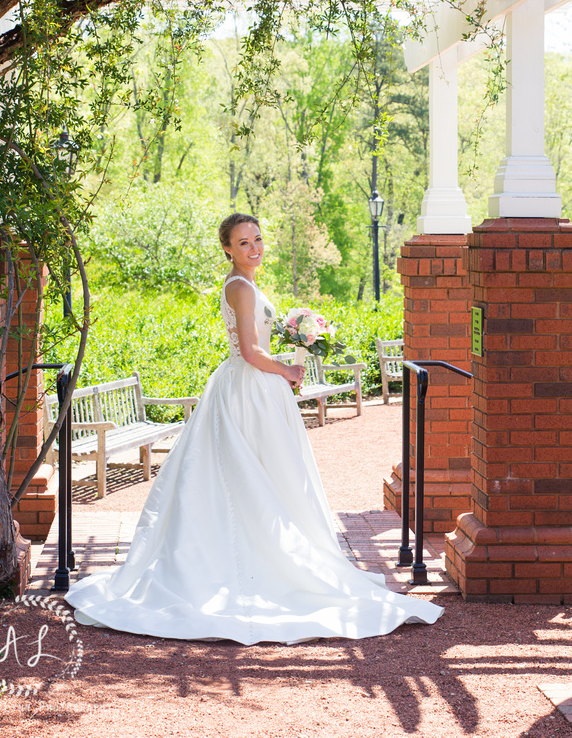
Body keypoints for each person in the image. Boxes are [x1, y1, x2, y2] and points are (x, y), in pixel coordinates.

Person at [64, 212, 443, 643]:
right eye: (243, 243)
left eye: (258, 239)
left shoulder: (245, 284)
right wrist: (287, 369)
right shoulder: (240, 287)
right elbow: (247, 351)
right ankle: (250, 563)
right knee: (252, 475)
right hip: (248, 389)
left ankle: (263, 553)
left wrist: (298, 341)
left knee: (264, 476)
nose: (254, 248)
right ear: (227, 248)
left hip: (257, 387)